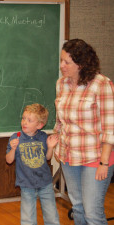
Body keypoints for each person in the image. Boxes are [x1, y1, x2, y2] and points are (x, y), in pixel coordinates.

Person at [54, 39, 114, 225]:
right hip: (69, 156)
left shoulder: (101, 84)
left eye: (67, 62)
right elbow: (60, 121)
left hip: (95, 157)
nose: (62, 66)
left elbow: (110, 126)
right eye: (61, 60)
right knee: (78, 207)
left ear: (81, 64)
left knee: (92, 213)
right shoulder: (61, 84)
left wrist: (104, 163)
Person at [6, 103, 60, 225]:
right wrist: (13, 149)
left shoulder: (43, 137)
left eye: (29, 120)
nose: (24, 122)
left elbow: (47, 157)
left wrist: (50, 147)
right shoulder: (16, 137)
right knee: (27, 218)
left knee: (52, 216)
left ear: (39, 125)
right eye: (24, 118)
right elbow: (9, 160)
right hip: (26, 184)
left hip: (45, 183)